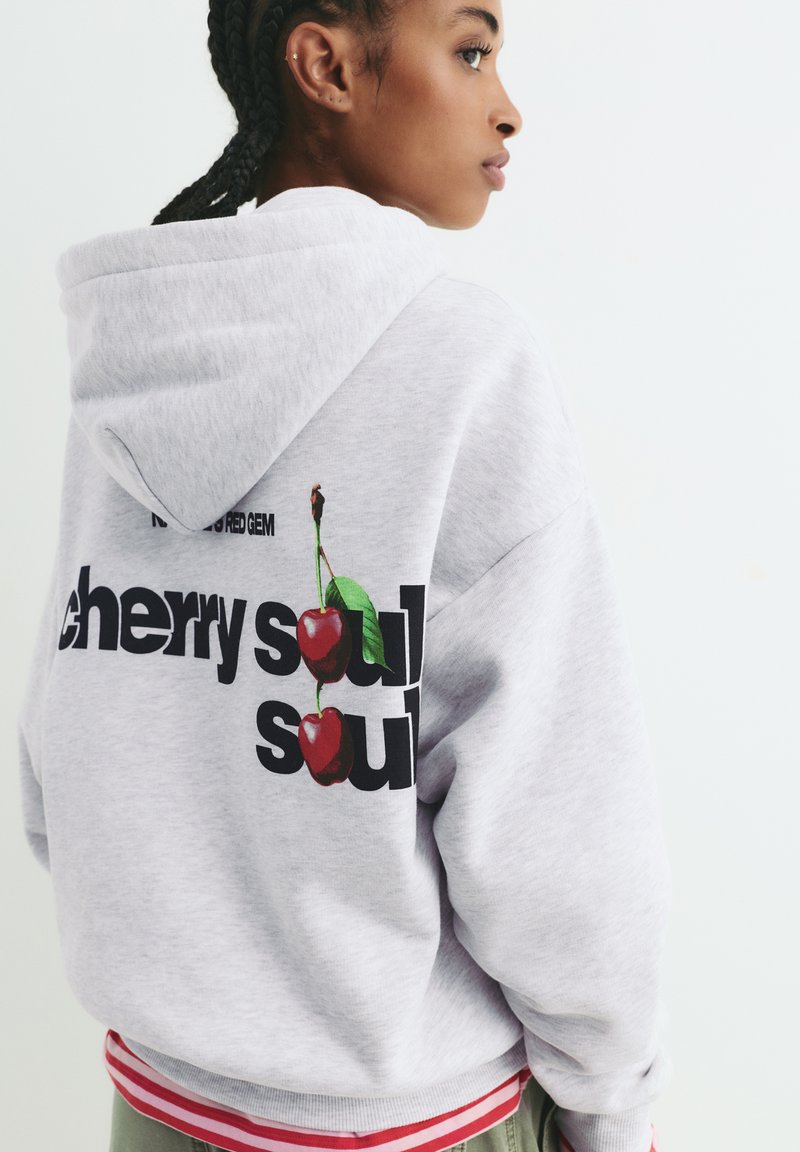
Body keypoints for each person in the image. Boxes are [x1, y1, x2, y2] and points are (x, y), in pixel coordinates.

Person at [16, 2, 671, 1151]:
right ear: (323, 64)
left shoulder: (136, 353)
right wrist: (608, 1100)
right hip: (413, 1122)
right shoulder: (463, 358)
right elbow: (551, 822)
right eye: (469, 50)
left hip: (159, 1105)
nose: (506, 108)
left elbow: (64, 740)